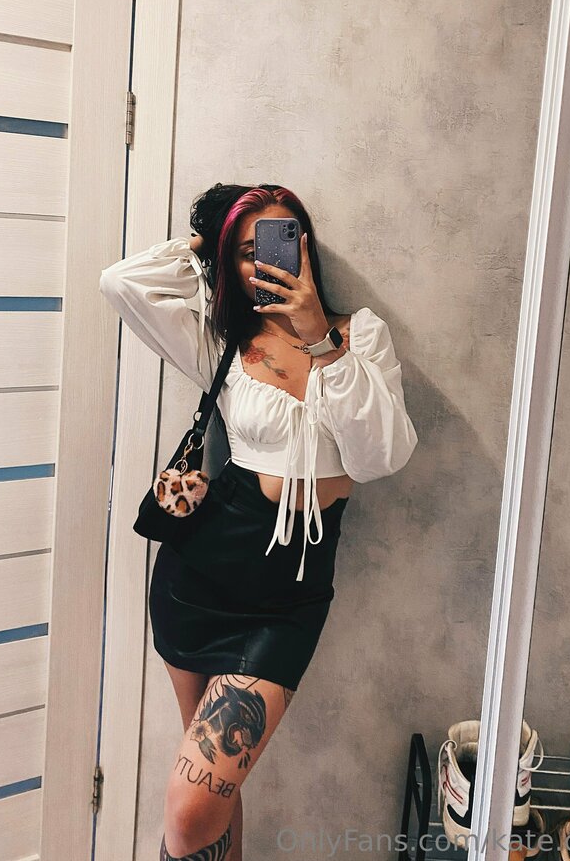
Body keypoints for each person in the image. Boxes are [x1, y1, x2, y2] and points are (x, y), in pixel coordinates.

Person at [98, 183, 418, 861]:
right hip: (199, 578)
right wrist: (206, 238)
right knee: (210, 797)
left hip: (287, 600)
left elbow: (380, 458)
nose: (266, 259)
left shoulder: (361, 335)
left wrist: (319, 336)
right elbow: (121, 283)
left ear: (307, 245)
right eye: (247, 251)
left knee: (193, 805)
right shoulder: (221, 340)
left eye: (281, 240)